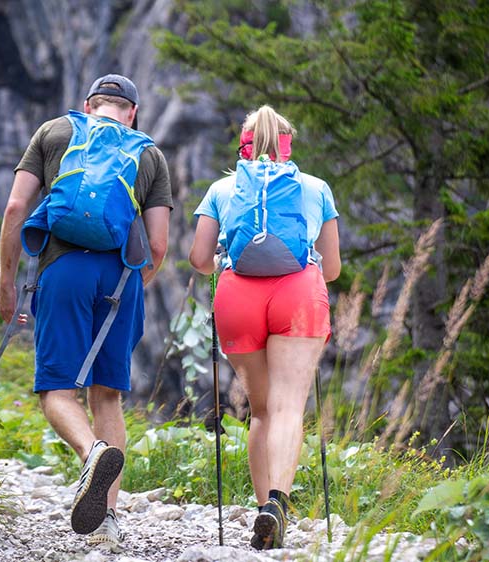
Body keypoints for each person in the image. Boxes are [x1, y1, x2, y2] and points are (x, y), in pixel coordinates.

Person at [0, 74, 172, 547]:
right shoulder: (149, 155)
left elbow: (15, 208)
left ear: (88, 105)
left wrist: (6, 283)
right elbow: (158, 245)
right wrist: (133, 284)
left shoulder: (53, 132)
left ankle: (91, 451)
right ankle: (106, 521)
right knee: (107, 396)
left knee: (57, 388)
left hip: (64, 269)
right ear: (132, 113)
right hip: (120, 278)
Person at [188, 105, 340, 550]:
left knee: (261, 411)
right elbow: (332, 268)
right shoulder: (315, 188)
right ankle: (278, 502)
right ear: (287, 144)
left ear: (245, 144)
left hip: (237, 297)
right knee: (288, 406)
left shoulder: (222, 188)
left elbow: (199, 260)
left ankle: (262, 510)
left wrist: (229, 258)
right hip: (298, 294)